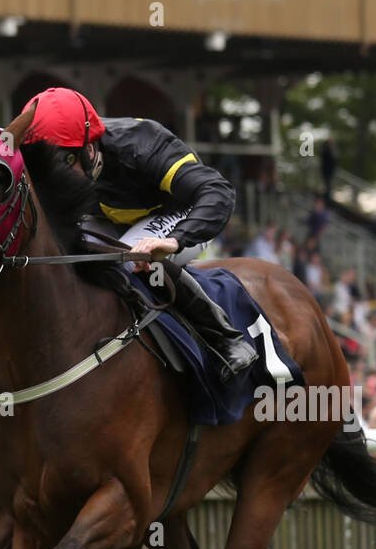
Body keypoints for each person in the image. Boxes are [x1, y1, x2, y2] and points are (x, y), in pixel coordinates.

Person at [17, 87, 256, 381]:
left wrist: (174, 240)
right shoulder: (61, 157)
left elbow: (218, 191)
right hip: (109, 216)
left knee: (133, 260)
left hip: (180, 212)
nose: (56, 178)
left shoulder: (142, 145)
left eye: (65, 163)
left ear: (89, 149)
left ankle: (225, 338)